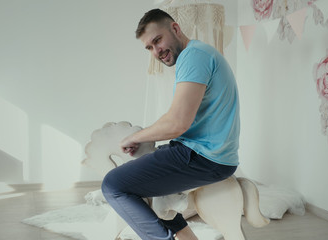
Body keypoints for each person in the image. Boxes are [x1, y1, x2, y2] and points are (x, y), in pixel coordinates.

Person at [101, 8, 240, 240]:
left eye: (158, 40)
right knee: (145, 175)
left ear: (175, 28)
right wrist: (147, 137)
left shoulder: (194, 56)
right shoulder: (198, 54)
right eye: (149, 47)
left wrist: (135, 137)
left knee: (113, 186)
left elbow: (177, 123)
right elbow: (175, 116)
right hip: (204, 153)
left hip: (204, 157)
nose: (156, 51)